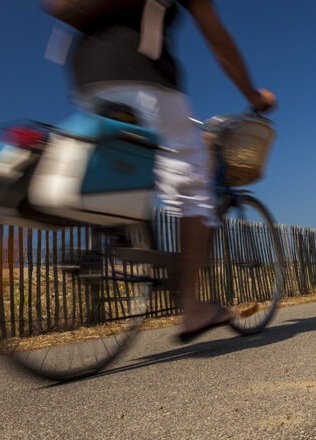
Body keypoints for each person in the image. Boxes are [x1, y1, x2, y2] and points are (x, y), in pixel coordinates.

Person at [42, 0, 276, 342]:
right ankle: (191, 306)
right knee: (194, 186)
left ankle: (118, 236)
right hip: (143, 76)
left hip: (87, 78)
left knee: (126, 159)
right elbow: (218, 39)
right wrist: (254, 95)